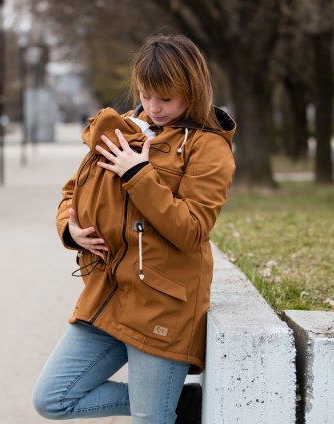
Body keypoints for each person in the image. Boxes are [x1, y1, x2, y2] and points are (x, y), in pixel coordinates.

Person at [32, 33, 236, 423]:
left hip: (163, 304)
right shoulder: (126, 128)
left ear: (192, 91)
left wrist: (138, 173)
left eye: (165, 98)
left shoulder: (209, 148)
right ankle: (178, 402)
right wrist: (69, 230)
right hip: (108, 296)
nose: (153, 108)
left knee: (149, 419)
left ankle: (162, 404)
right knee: (52, 399)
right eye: (145, 95)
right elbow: (72, 192)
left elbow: (192, 229)